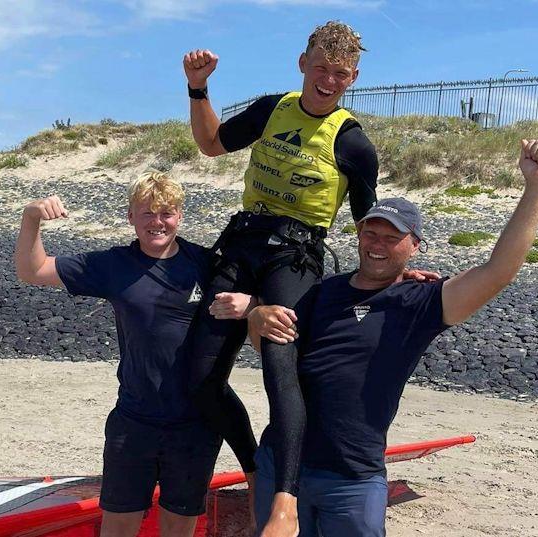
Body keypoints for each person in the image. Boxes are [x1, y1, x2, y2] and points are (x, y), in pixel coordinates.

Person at [248, 140, 538, 536]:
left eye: (391, 237)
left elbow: (498, 271)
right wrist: (256, 318)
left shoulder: (421, 302)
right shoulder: (322, 292)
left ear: (414, 246)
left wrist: (537, 187)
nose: (377, 245)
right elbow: (272, 349)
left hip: (351, 477)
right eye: (370, 233)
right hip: (281, 466)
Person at [183, 21, 381, 535]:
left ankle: (286, 500)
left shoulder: (354, 144)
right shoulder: (274, 109)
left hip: (296, 257)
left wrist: (394, 272)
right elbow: (210, 144)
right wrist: (198, 87)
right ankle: (254, 469)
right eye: (320, 68)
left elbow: (369, 225)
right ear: (302, 64)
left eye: (340, 74)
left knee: (280, 368)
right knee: (200, 380)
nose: (328, 80)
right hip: (241, 243)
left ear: (353, 77)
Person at [13, 171, 257, 537]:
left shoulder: (207, 265)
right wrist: (31, 218)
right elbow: (32, 270)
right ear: (130, 217)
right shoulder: (114, 265)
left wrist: (252, 303)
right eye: (146, 213)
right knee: (118, 526)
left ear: (180, 216)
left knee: (178, 528)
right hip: (134, 421)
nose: (157, 222)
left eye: (166, 213)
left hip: (195, 426)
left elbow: (276, 302)